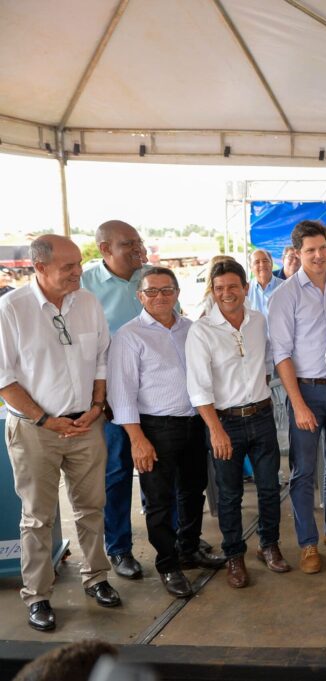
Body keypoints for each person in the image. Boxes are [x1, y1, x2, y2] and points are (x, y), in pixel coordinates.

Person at [0, 235, 120, 632]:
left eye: (78, 264)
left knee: (91, 507)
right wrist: (45, 420)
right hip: (36, 430)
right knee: (38, 517)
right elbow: (4, 379)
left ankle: (96, 577)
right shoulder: (11, 309)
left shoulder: (87, 302)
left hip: (86, 425)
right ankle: (37, 595)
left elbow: (101, 357)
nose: (78, 272)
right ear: (39, 267)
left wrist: (97, 405)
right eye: (68, 266)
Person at [108, 267, 225, 599]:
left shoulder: (191, 329)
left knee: (193, 491)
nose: (160, 297)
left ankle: (189, 548)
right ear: (140, 296)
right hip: (155, 428)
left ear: (177, 293)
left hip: (194, 423)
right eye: (152, 291)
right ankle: (168, 564)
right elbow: (121, 393)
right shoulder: (129, 336)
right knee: (159, 501)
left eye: (166, 290)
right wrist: (137, 439)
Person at [186, 259, 289, 588]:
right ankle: (234, 555)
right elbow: (198, 388)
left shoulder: (258, 320)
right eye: (219, 288)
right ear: (212, 291)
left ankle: (269, 544)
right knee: (230, 495)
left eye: (233, 286)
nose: (226, 293)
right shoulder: (201, 330)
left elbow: (267, 363)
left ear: (246, 288)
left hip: (262, 416)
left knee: (269, 488)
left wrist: (257, 393)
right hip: (225, 423)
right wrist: (215, 429)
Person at [268, 221, 326, 574]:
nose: (319, 255)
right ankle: (308, 543)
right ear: (297, 253)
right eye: (310, 250)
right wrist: (299, 404)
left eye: (323, 247)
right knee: (303, 471)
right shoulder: (284, 296)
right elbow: (281, 356)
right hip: (305, 391)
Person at [80, 220, 148, 581]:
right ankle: (119, 548)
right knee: (118, 473)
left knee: (160, 471)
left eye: (138, 242)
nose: (138, 249)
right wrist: (99, 396)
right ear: (105, 249)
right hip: (111, 399)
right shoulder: (85, 286)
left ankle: (174, 541)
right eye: (128, 244)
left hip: (157, 396)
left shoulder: (151, 277)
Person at [246, 248, 282, 317]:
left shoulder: (285, 286)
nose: (262, 265)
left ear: (271, 264)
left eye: (265, 261)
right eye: (257, 262)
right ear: (251, 267)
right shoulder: (246, 289)